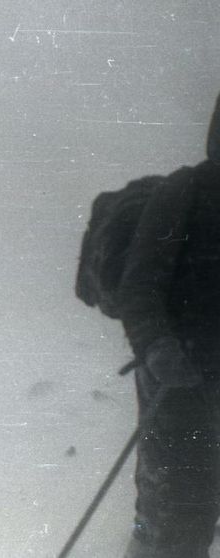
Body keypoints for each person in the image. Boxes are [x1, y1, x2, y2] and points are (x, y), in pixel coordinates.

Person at [118, 94, 220, 558]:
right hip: (182, 390)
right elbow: (139, 287)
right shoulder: (186, 191)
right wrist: (158, 348)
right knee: (175, 524)